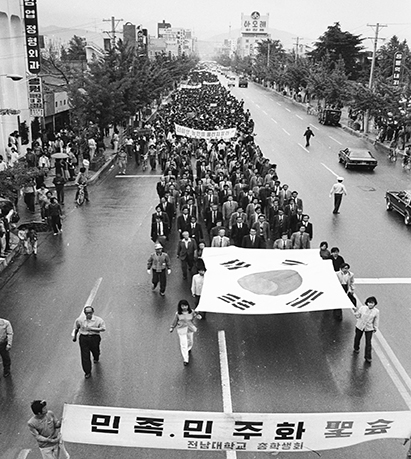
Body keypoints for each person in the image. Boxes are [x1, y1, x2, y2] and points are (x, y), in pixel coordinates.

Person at [72, 306, 106, 379]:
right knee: (85, 356)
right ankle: (87, 371)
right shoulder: (80, 320)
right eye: (87, 313)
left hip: (94, 338)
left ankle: (96, 357)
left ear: (92, 312)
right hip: (84, 338)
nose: (88, 314)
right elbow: (77, 328)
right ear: (85, 313)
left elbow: (103, 329)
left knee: (95, 351)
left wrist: (92, 329)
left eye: (90, 313)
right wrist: (74, 337)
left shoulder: (98, 320)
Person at [169, 299, 202, 366]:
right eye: (182, 306)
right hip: (181, 329)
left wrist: (198, 315)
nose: (184, 307)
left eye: (185, 306)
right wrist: (172, 327)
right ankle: (186, 359)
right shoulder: (178, 313)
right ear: (180, 307)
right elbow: (175, 321)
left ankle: (189, 348)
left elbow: (198, 317)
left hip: (190, 329)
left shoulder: (192, 312)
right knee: (183, 344)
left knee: (190, 341)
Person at [353, 296, 379, 363]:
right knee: (357, 338)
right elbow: (358, 316)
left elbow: (376, 320)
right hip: (360, 326)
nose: (370, 304)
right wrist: (355, 312)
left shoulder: (376, 311)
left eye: (372, 303)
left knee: (368, 343)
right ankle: (356, 348)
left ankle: (368, 357)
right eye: (369, 302)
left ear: (374, 304)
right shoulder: (362, 308)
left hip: (369, 328)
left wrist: (375, 327)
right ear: (367, 303)